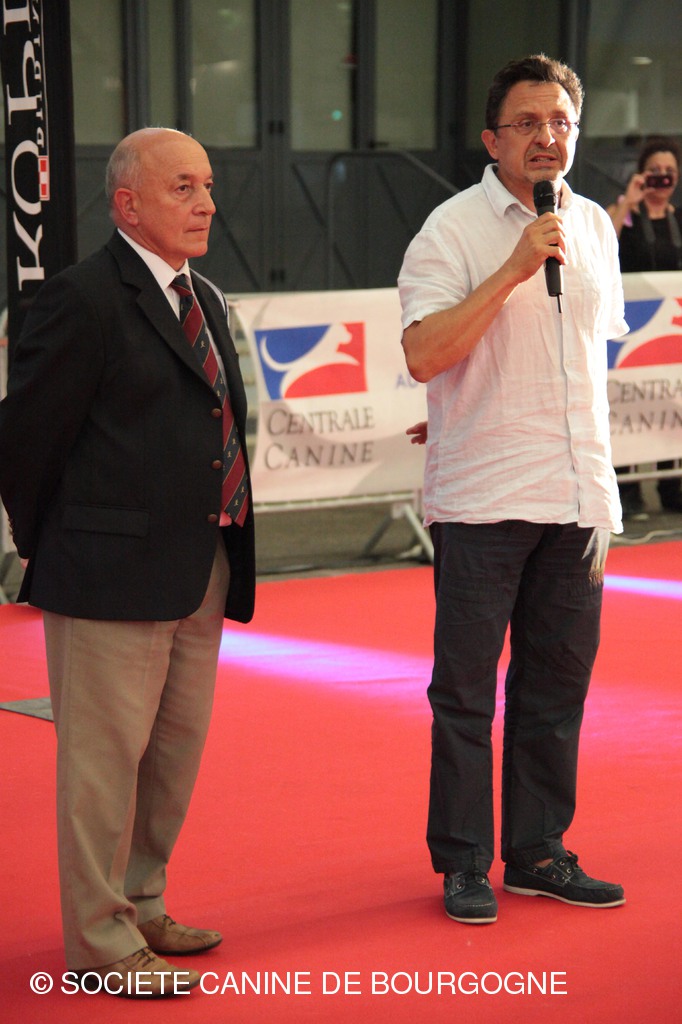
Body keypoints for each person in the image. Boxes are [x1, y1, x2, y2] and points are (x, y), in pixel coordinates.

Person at [0, 128, 256, 996]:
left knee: (170, 762)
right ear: (128, 204)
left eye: (208, 185)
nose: (207, 203)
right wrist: (56, 546)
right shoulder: (80, 299)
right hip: (106, 577)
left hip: (202, 563)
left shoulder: (203, 295)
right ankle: (101, 945)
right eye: (184, 187)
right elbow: (25, 440)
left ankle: (143, 905)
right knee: (101, 772)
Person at [398, 55, 626, 925]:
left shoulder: (593, 223)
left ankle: (537, 850)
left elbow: (580, 358)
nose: (546, 137)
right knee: (465, 693)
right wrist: (513, 269)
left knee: (556, 687)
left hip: (578, 493)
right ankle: (463, 862)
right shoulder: (450, 230)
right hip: (485, 497)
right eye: (527, 123)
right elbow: (425, 353)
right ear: (492, 140)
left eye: (560, 122)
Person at [606, 136, 682, 516]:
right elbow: (601, 248)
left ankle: (671, 488)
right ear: (640, 175)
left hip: (670, 331)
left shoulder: (678, 218)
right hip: (630, 331)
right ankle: (627, 492)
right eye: (655, 171)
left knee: (669, 403)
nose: (662, 178)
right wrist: (627, 203)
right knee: (626, 407)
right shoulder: (623, 213)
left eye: (669, 172)